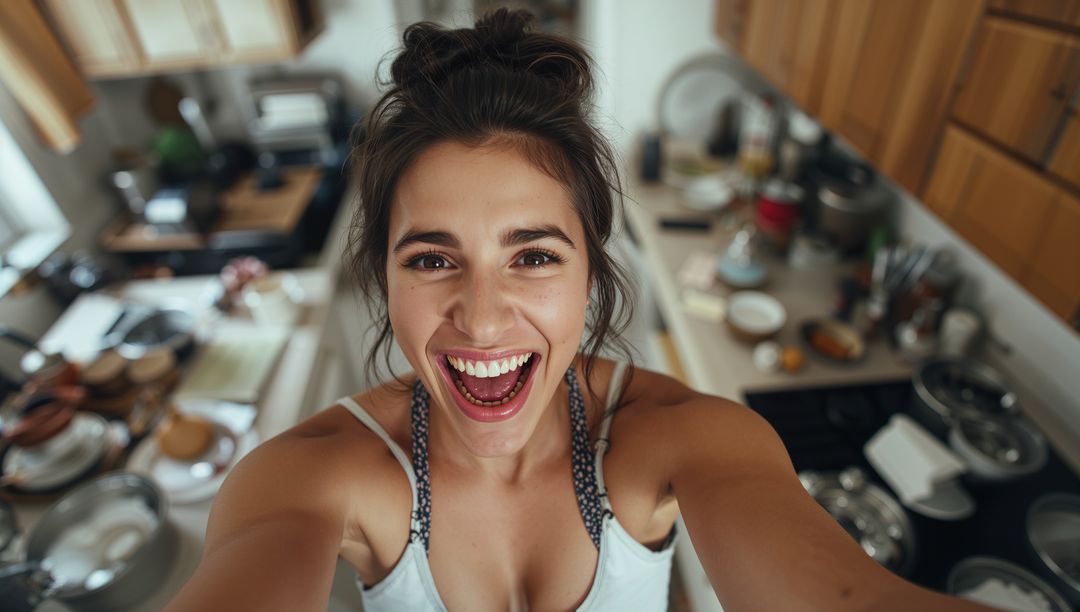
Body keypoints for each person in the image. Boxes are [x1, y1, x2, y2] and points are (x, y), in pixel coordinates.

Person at [167, 10, 990, 612]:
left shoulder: (678, 439)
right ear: (384, 277)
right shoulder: (313, 476)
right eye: (432, 258)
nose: (483, 320)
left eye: (532, 257)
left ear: (591, 270)